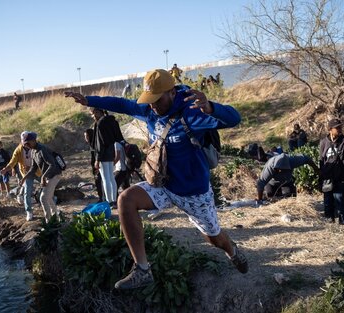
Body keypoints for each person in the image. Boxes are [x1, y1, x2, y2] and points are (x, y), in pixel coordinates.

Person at [66, 68, 247, 290]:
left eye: (157, 99)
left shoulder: (192, 112)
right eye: (148, 99)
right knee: (125, 199)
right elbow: (123, 104)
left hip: (193, 191)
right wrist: (89, 100)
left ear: (171, 92)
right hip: (162, 185)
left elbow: (235, 118)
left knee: (213, 238)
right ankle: (142, 269)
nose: (152, 105)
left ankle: (232, 250)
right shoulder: (149, 110)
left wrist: (210, 107)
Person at [319, 119, 344, 224]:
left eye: (340, 127)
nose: (340, 129)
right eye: (337, 128)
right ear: (330, 129)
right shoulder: (323, 143)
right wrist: (320, 180)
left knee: (341, 203)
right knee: (327, 204)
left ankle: (343, 224)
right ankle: (329, 224)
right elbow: (322, 162)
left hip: (341, 179)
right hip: (327, 179)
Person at [20, 132, 62, 223]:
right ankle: (56, 218)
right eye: (25, 144)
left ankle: (49, 222)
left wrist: (43, 177)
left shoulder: (42, 150)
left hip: (55, 175)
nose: (26, 145)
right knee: (49, 198)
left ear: (34, 140)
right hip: (49, 176)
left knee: (43, 198)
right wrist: (24, 178)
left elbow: (52, 165)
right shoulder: (33, 151)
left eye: (28, 143)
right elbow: (33, 168)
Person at [1, 131, 42, 221]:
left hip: (38, 171)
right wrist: (6, 169)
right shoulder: (18, 150)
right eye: (25, 142)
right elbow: (12, 162)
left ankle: (49, 201)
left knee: (46, 185)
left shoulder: (36, 146)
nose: (27, 144)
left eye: (28, 142)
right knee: (27, 192)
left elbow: (42, 159)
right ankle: (29, 212)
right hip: (26, 174)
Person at [91, 108, 124, 208]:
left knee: (105, 179)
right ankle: (114, 200)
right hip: (111, 153)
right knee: (111, 178)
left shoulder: (100, 123)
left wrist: (97, 159)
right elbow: (118, 137)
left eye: (92, 114)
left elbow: (99, 144)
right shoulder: (112, 121)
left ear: (97, 112)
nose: (92, 116)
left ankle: (109, 202)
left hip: (103, 155)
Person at [84, 129, 103, 202]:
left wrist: (98, 165)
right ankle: (101, 197)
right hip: (95, 166)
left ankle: (102, 198)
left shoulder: (94, 143)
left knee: (99, 182)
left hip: (98, 165)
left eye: (86, 136)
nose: (85, 138)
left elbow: (97, 155)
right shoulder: (91, 143)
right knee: (97, 182)